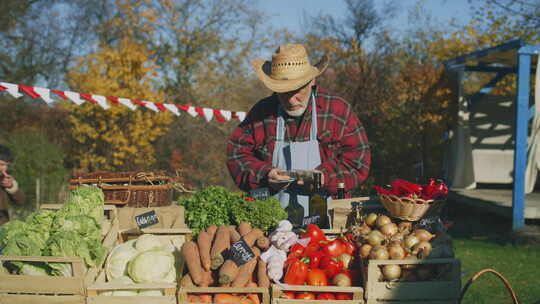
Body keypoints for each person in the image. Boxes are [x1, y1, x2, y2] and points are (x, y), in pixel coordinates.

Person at [226, 43, 370, 223]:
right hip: (272, 223)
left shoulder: (337, 110)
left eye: (298, 90)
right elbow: (236, 154)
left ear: (312, 81)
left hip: (330, 221)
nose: (291, 99)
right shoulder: (261, 113)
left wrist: (323, 177)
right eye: (284, 92)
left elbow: (358, 162)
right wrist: (265, 174)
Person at [0, 145, 25, 225]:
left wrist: (11, 187)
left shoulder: (4, 178)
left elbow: (21, 201)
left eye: (7, 165)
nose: (4, 169)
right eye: (1, 164)